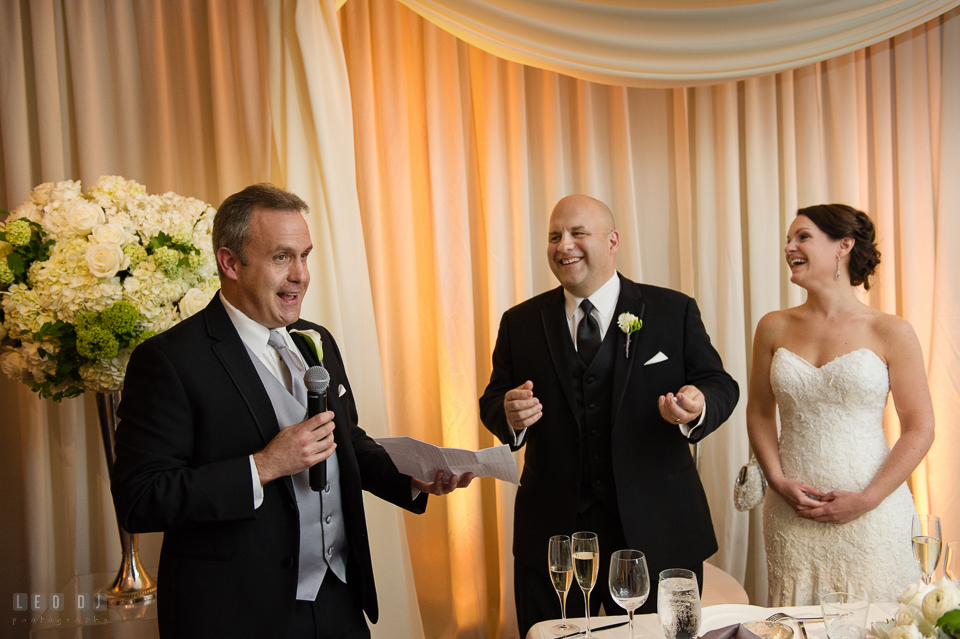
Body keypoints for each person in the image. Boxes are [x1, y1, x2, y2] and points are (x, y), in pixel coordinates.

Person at [111, 184, 472, 638]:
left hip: (338, 599)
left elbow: (346, 441)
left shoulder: (315, 339)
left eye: (305, 255)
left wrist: (411, 476)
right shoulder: (169, 360)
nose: (301, 274)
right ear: (230, 263)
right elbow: (139, 499)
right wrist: (263, 466)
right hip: (235, 614)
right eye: (282, 257)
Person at [479, 194, 739, 636]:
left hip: (660, 527)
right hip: (553, 534)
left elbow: (720, 384)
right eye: (555, 236)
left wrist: (698, 403)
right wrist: (509, 414)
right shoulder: (519, 322)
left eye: (578, 233)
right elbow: (493, 401)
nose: (565, 246)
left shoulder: (672, 311)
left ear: (613, 240)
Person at [747, 203, 935, 606]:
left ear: (843, 246)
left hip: (873, 514)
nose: (789, 247)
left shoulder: (890, 330)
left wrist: (868, 499)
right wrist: (778, 482)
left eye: (802, 237)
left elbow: (920, 426)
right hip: (791, 515)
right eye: (788, 239)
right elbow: (759, 412)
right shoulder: (772, 327)